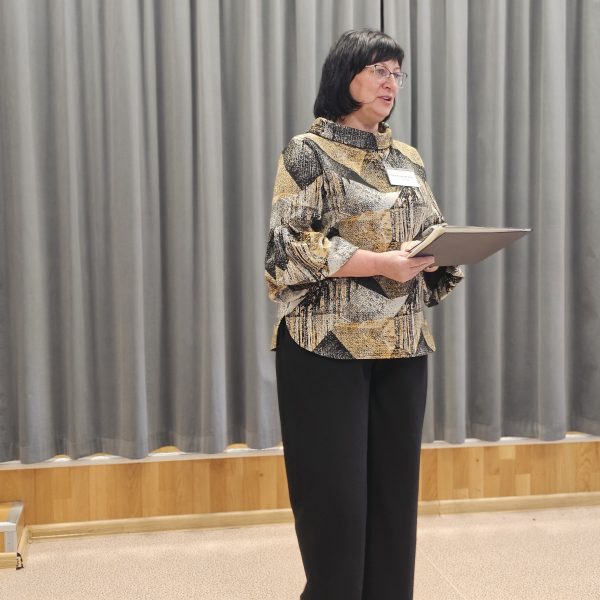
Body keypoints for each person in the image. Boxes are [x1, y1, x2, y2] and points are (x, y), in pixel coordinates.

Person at [264, 29, 464, 600]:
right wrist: (381, 262)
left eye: (397, 73)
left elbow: (429, 231)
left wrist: (440, 252)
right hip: (326, 346)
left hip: (402, 343)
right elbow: (287, 247)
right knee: (336, 504)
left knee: (394, 503)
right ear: (344, 75)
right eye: (379, 69)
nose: (390, 82)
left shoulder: (406, 158)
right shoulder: (308, 151)